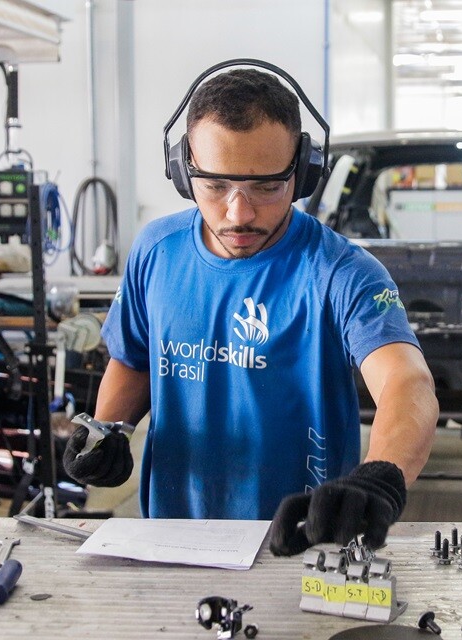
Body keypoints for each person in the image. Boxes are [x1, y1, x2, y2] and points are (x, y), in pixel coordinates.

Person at [63, 61, 438, 556]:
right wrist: (109, 429)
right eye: (216, 186)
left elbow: (406, 382)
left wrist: (381, 477)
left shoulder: (342, 272)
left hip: (303, 540)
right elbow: (134, 358)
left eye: (266, 186)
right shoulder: (156, 250)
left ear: (303, 173)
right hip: (170, 538)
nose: (239, 213)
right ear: (183, 170)